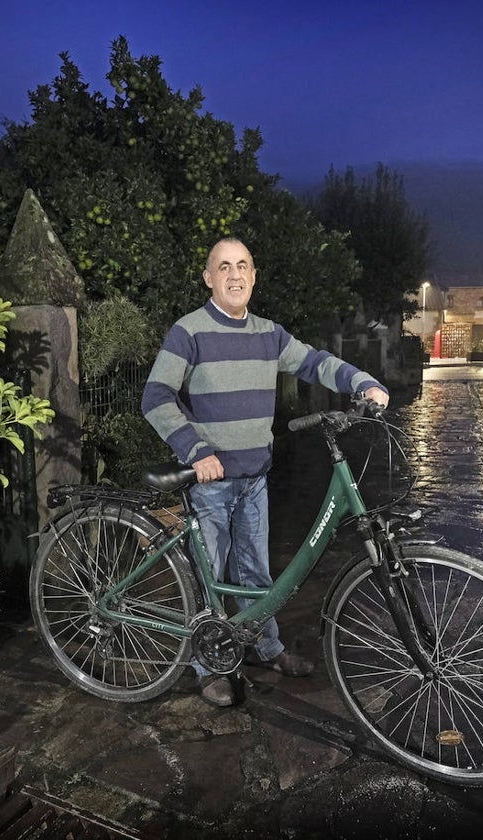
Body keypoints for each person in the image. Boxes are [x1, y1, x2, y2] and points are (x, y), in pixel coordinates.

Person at [141, 237, 389, 707]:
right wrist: (195, 449)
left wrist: (364, 382)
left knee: (256, 572)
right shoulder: (188, 332)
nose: (235, 275)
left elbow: (315, 363)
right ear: (208, 278)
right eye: (224, 267)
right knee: (208, 577)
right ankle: (207, 666)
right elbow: (155, 396)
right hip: (210, 480)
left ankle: (265, 646)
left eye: (243, 266)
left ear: (254, 276)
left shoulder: (269, 334)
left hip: (254, 478)